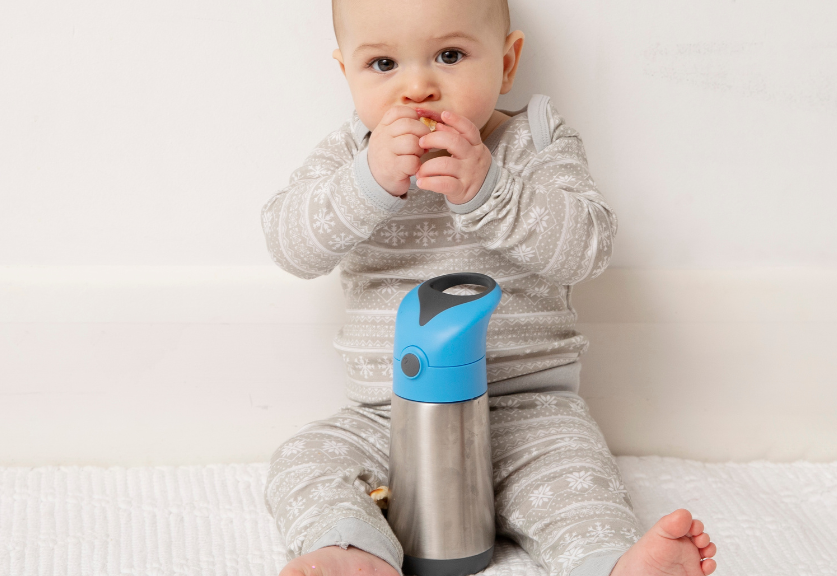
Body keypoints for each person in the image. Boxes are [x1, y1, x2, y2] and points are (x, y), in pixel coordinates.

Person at [259, 1, 717, 575]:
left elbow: (588, 247)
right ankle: (350, 553)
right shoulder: (352, 154)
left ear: (506, 63)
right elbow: (289, 243)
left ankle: (612, 566)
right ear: (345, 73)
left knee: (578, 489)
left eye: (449, 56)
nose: (417, 88)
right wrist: (368, 185)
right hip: (389, 414)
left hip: (529, 409)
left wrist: (490, 190)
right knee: (306, 461)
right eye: (382, 64)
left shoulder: (535, 141)